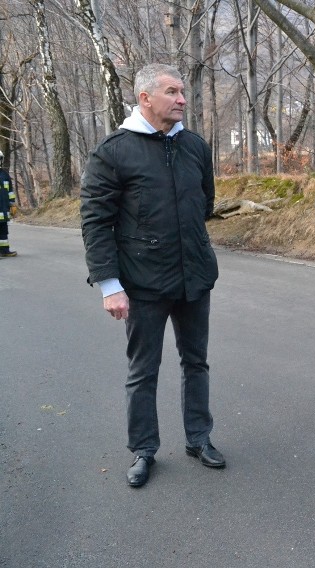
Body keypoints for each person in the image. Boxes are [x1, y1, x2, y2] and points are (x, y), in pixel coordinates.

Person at [80, 63, 224, 488]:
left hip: (194, 279)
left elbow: (205, 203)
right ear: (145, 97)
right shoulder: (113, 151)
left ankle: (199, 438)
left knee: (196, 361)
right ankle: (144, 450)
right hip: (141, 285)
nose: (182, 99)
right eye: (172, 92)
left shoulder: (195, 146)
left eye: (182, 92)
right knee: (144, 370)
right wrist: (110, 285)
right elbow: (95, 221)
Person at [0, 150, 18, 258]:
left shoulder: (5, 175)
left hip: (3, 210)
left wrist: (12, 204)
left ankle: (4, 251)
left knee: (4, 232)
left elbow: (10, 191)